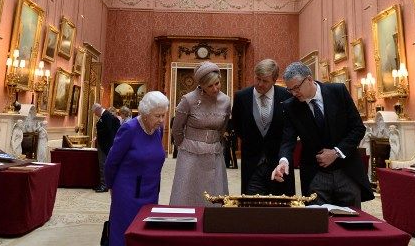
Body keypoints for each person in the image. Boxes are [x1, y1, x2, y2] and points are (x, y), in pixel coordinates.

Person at [271, 61, 374, 208]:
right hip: (315, 175)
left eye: (296, 88)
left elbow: (358, 128)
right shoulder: (290, 106)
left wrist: (336, 152)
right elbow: (288, 140)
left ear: (309, 79)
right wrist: (283, 161)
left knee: (351, 222)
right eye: (290, 90)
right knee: (317, 223)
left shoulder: (338, 92)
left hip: (346, 171)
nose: (294, 93)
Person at [105, 91, 169, 246]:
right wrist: (112, 186)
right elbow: (111, 162)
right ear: (145, 114)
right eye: (157, 116)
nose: (161, 120)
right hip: (127, 192)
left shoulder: (157, 131)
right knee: (125, 232)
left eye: (163, 115)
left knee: (146, 232)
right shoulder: (129, 129)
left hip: (151, 190)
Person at [169, 61, 231, 206]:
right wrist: (184, 146)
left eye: (217, 83)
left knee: (214, 194)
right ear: (201, 85)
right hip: (190, 155)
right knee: (188, 194)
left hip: (214, 153)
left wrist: (214, 142)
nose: (215, 88)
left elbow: (223, 128)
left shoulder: (226, 101)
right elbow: (177, 128)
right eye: (210, 86)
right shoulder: (188, 100)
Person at [230, 59, 295, 196]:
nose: (259, 84)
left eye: (265, 81)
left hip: (279, 164)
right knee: (252, 208)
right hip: (252, 164)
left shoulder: (287, 96)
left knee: (282, 208)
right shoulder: (242, 97)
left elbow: (290, 129)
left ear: (274, 79)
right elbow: (237, 125)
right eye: (257, 79)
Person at [93, 102, 120, 192]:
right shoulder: (105, 115)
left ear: (98, 109)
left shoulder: (106, 116)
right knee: (103, 164)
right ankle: (103, 184)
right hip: (105, 144)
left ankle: (104, 185)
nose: (95, 114)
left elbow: (108, 130)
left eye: (94, 112)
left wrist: (99, 132)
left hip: (105, 145)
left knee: (103, 164)